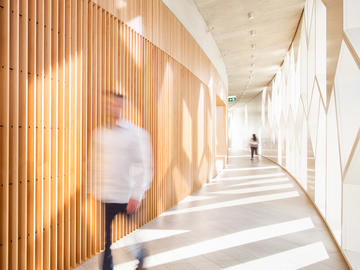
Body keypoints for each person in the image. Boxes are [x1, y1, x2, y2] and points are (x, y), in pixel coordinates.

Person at [91, 92, 153, 270]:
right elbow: (94, 164)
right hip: (107, 195)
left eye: (116, 104)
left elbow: (143, 165)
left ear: (123, 107)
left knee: (130, 237)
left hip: (127, 196)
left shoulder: (135, 134)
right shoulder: (99, 134)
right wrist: (93, 188)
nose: (112, 108)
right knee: (107, 240)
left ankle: (140, 255)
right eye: (109, 104)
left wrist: (137, 194)